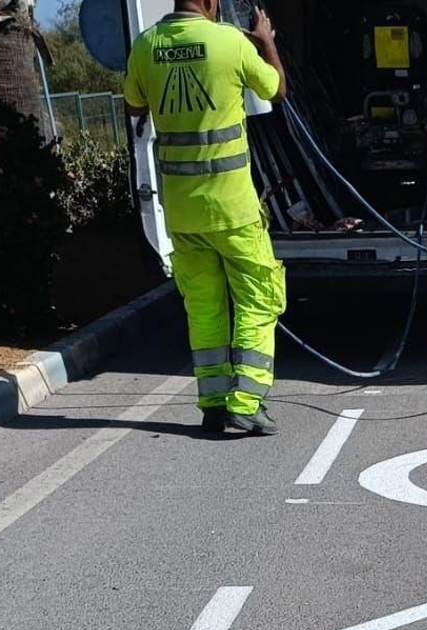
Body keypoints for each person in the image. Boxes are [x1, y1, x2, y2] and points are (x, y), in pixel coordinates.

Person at [124, 0, 288, 436]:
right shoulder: (230, 42)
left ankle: (214, 403)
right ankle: (247, 401)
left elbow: (135, 106)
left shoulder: (146, 45)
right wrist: (267, 42)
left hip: (181, 210)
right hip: (232, 207)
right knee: (258, 299)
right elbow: (275, 90)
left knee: (204, 307)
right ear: (212, 3)